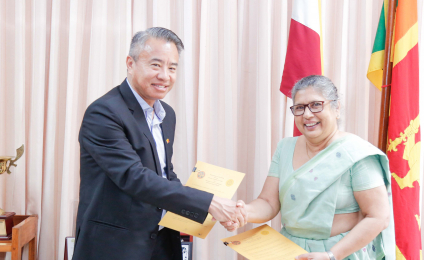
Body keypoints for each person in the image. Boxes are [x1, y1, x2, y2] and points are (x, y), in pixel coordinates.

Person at [73, 27, 246, 260]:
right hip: (115, 246)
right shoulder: (104, 113)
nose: (165, 75)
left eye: (172, 68)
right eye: (155, 65)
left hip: (161, 241)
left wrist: (209, 209)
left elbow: (164, 174)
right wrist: (208, 203)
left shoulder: (167, 114)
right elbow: (134, 177)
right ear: (130, 63)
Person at [221, 75, 395, 260]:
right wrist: (243, 213)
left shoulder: (356, 153)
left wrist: (331, 255)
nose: (307, 114)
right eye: (299, 108)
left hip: (339, 253)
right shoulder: (285, 148)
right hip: (289, 251)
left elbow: (378, 217)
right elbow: (268, 202)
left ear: (336, 108)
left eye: (316, 105)